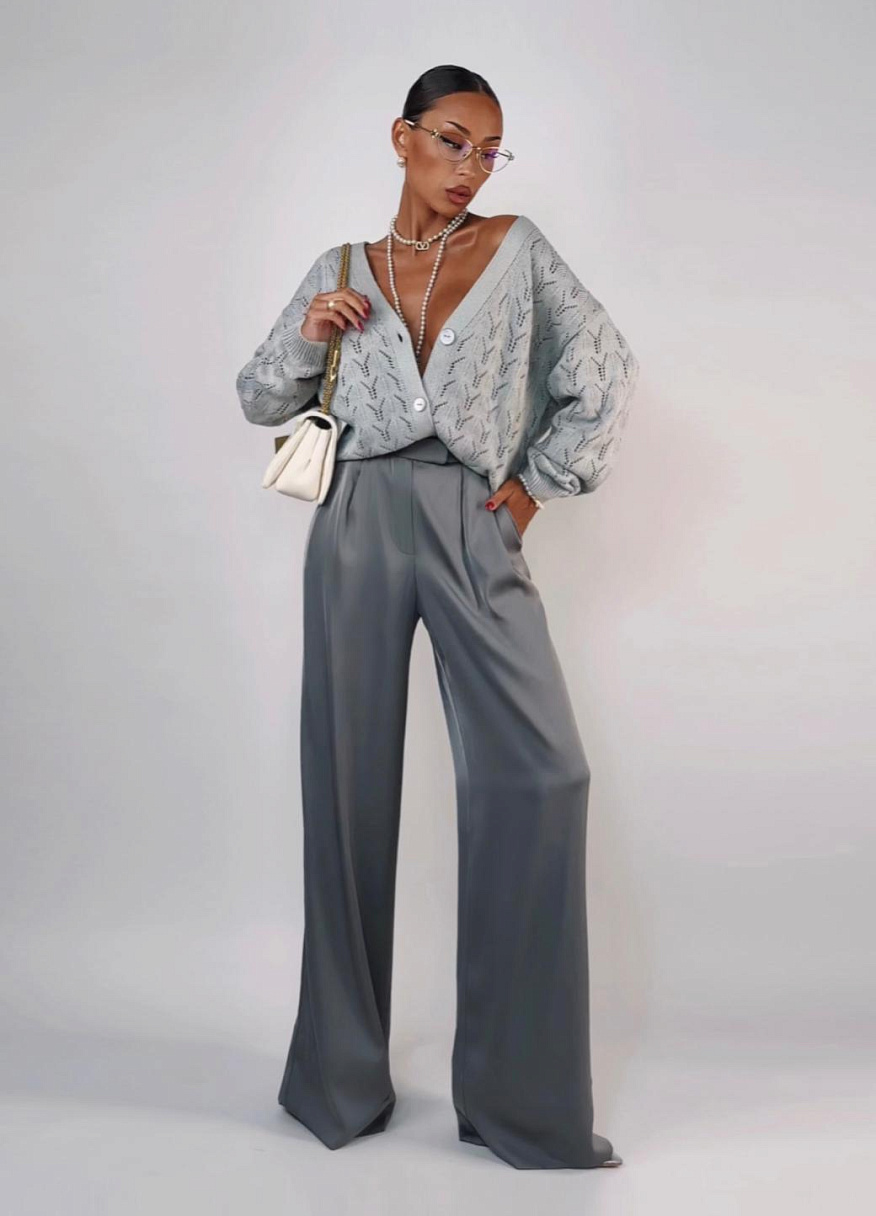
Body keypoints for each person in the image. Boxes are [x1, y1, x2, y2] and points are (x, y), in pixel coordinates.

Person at [236, 63, 640, 1170]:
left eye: (488, 151)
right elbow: (260, 396)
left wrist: (529, 491)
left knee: (543, 774)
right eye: (454, 140)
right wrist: (311, 334)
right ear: (403, 137)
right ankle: (337, 1079)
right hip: (356, 517)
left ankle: (521, 1102)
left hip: (474, 520)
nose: (471, 168)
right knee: (345, 785)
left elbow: (604, 372)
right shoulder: (339, 267)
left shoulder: (516, 250)